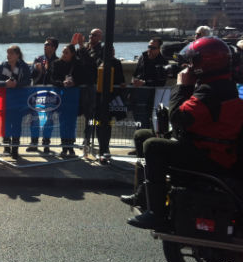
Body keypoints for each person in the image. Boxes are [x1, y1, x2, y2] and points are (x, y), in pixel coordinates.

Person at [127, 37, 243, 230]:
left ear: (204, 63)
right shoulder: (221, 85)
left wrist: (182, 86)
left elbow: (179, 118)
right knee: (143, 135)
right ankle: (144, 194)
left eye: (193, 61)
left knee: (153, 146)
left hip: (210, 154)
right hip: (210, 146)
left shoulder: (210, 91)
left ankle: (157, 214)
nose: (189, 65)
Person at [0, 45, 31, 159]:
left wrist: (16, 84)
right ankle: (6, 146)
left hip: (19, 100)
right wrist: (5, 83)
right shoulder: (2, 65)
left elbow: (28, 81)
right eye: (7, 53)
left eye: (11, 54)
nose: (8, 56)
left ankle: (15, 149)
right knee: (5, 124)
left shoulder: (23, 66)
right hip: (5, 100)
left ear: (17, 55)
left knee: (17, 124)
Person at [50, 44, 86, 157]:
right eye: (63, 52)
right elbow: (53, 79)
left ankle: (71, 146)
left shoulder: (78, 64)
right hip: (61, 96)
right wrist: (62, 84)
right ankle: (64, 147)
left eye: (66, 52)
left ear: (72, 54)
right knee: (63, 122)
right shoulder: (57, 63)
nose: (63, 55)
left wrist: (74, 83)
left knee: (72, 123)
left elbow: (83, 78)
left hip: (74, 97)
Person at [28, 37, 59, 153]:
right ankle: (34, 142)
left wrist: (49, 69)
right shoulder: (38, 59)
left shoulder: (57, 60)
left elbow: (56, 77)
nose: (45, 46)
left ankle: (46, 143)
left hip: (51, 94)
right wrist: (37, 70)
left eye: (48, 44)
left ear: (54, 47)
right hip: (36, 92)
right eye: (45, 44)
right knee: (34, 118)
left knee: (49, 119)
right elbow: (31, 75)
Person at [131, 37, 169, 130]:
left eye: (153, 48)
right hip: (138, 96)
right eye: (149, 46)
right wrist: (134, 80)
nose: (149, 49)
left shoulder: (163, 62)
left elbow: (161, 82)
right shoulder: (142, 57)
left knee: (150, 122)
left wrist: (144, 83)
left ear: (159, 49)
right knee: (138, 121)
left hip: (152, 98)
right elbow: (135, 73)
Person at [75, 29, 103, 147]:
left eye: (94, 35)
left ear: (100, 37)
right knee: (75, 112)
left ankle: (87, 139)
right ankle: (69, 140)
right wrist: (74, 45)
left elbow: (92, 63)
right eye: (90, 34)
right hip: (79, 85)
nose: (91, 37)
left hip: (91, 86)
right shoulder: (84, 48)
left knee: (90, 115)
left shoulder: (101, 50)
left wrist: (81, 47)